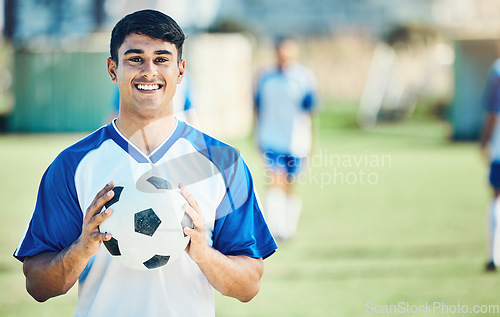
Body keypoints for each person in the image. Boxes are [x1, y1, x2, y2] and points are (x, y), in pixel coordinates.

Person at [13, 9, 277, 316]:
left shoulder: (222, 162)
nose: (149, 71)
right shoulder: (73, 164)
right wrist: (81, 249)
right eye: (135, 58)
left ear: (180, 71)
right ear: (113, 69)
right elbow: (37, 285)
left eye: (162, 59)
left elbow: (249, 286)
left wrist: (204, 254)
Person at [254, 38, 319, 241]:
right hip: (271, 138)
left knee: (290, 184)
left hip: (297, 141)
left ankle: (288, 228)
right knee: (275, 180)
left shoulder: (304, 78)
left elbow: (310, 111)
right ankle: (274, 228)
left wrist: (311, 142)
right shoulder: (265, 78)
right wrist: (256, 133)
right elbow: (256, 108)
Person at [480, 56, 500, 271]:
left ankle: (494, 256)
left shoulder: (497, 70)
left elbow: (494, 112)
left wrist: (483, 141)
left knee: (496, 197)